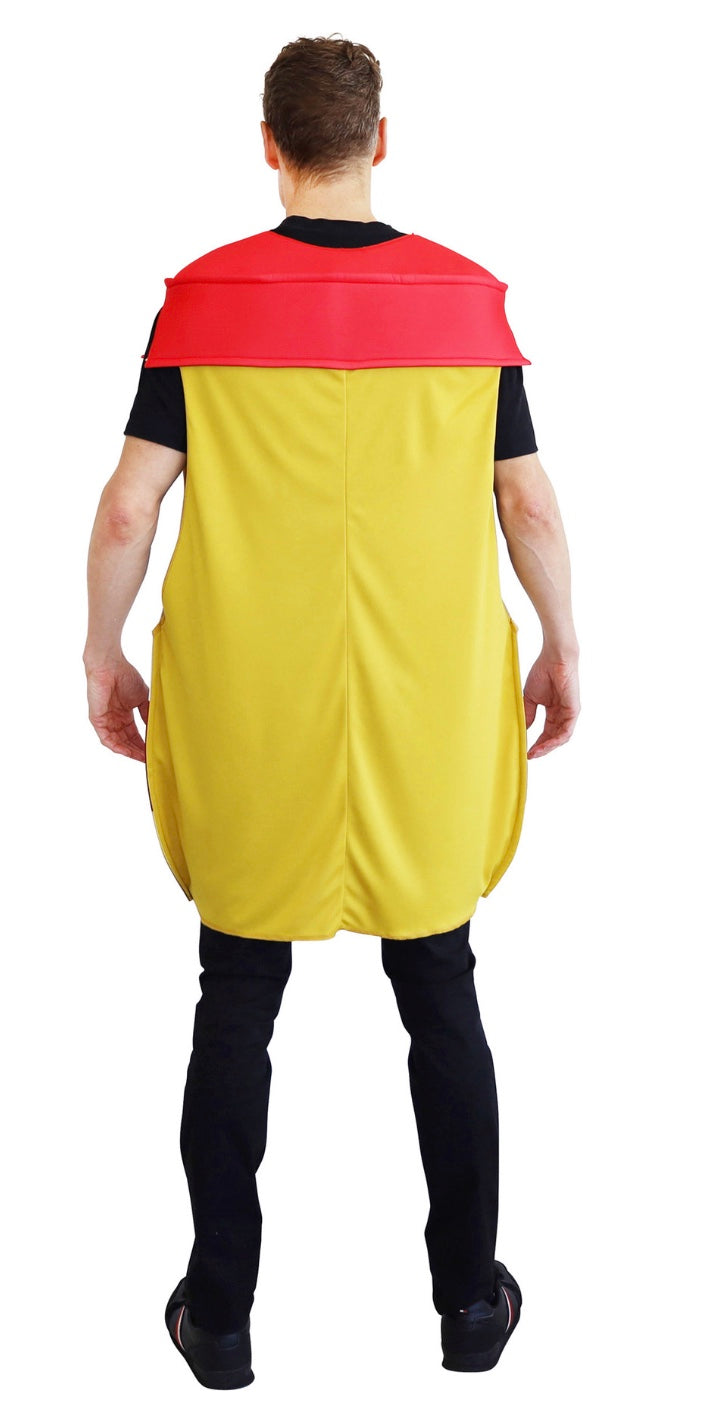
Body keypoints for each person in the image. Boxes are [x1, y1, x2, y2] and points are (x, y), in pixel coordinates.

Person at [83, 34, 580, 1388]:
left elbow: (129, 507)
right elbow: (526, 501)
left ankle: (220, 1314)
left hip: (253, 704)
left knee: (236, 993)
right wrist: (561, 641)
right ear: (379, 141)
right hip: (425, 704)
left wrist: (102, 651)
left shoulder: (202, 305)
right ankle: (468, 1303)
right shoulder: (467, 304)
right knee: (442, 990)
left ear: (269, 144)